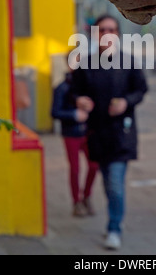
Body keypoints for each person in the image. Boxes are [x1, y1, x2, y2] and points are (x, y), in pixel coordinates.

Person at [71, 15, 148, 250]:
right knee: (107, 182)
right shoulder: (85, 65)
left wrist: (126, 102)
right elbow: (74, 92)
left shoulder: (129, 62)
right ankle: (116, 217)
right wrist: (80, 101)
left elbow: (141, 90)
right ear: (96, 35)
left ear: (118, 35)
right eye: (102, 30)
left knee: (115, 182)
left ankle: (114, 227)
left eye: (111, 30)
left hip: (122, 134)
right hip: (97, 134)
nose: (107, 34)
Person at [51, 64, 99, 217]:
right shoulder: (62, 87)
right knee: (75, 169)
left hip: (88, 131)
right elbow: (55, 112)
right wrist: (73, 115)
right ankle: (76, 201)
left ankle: (87, 195)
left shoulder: (90, 84)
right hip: (71, 133)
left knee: (94, 165)